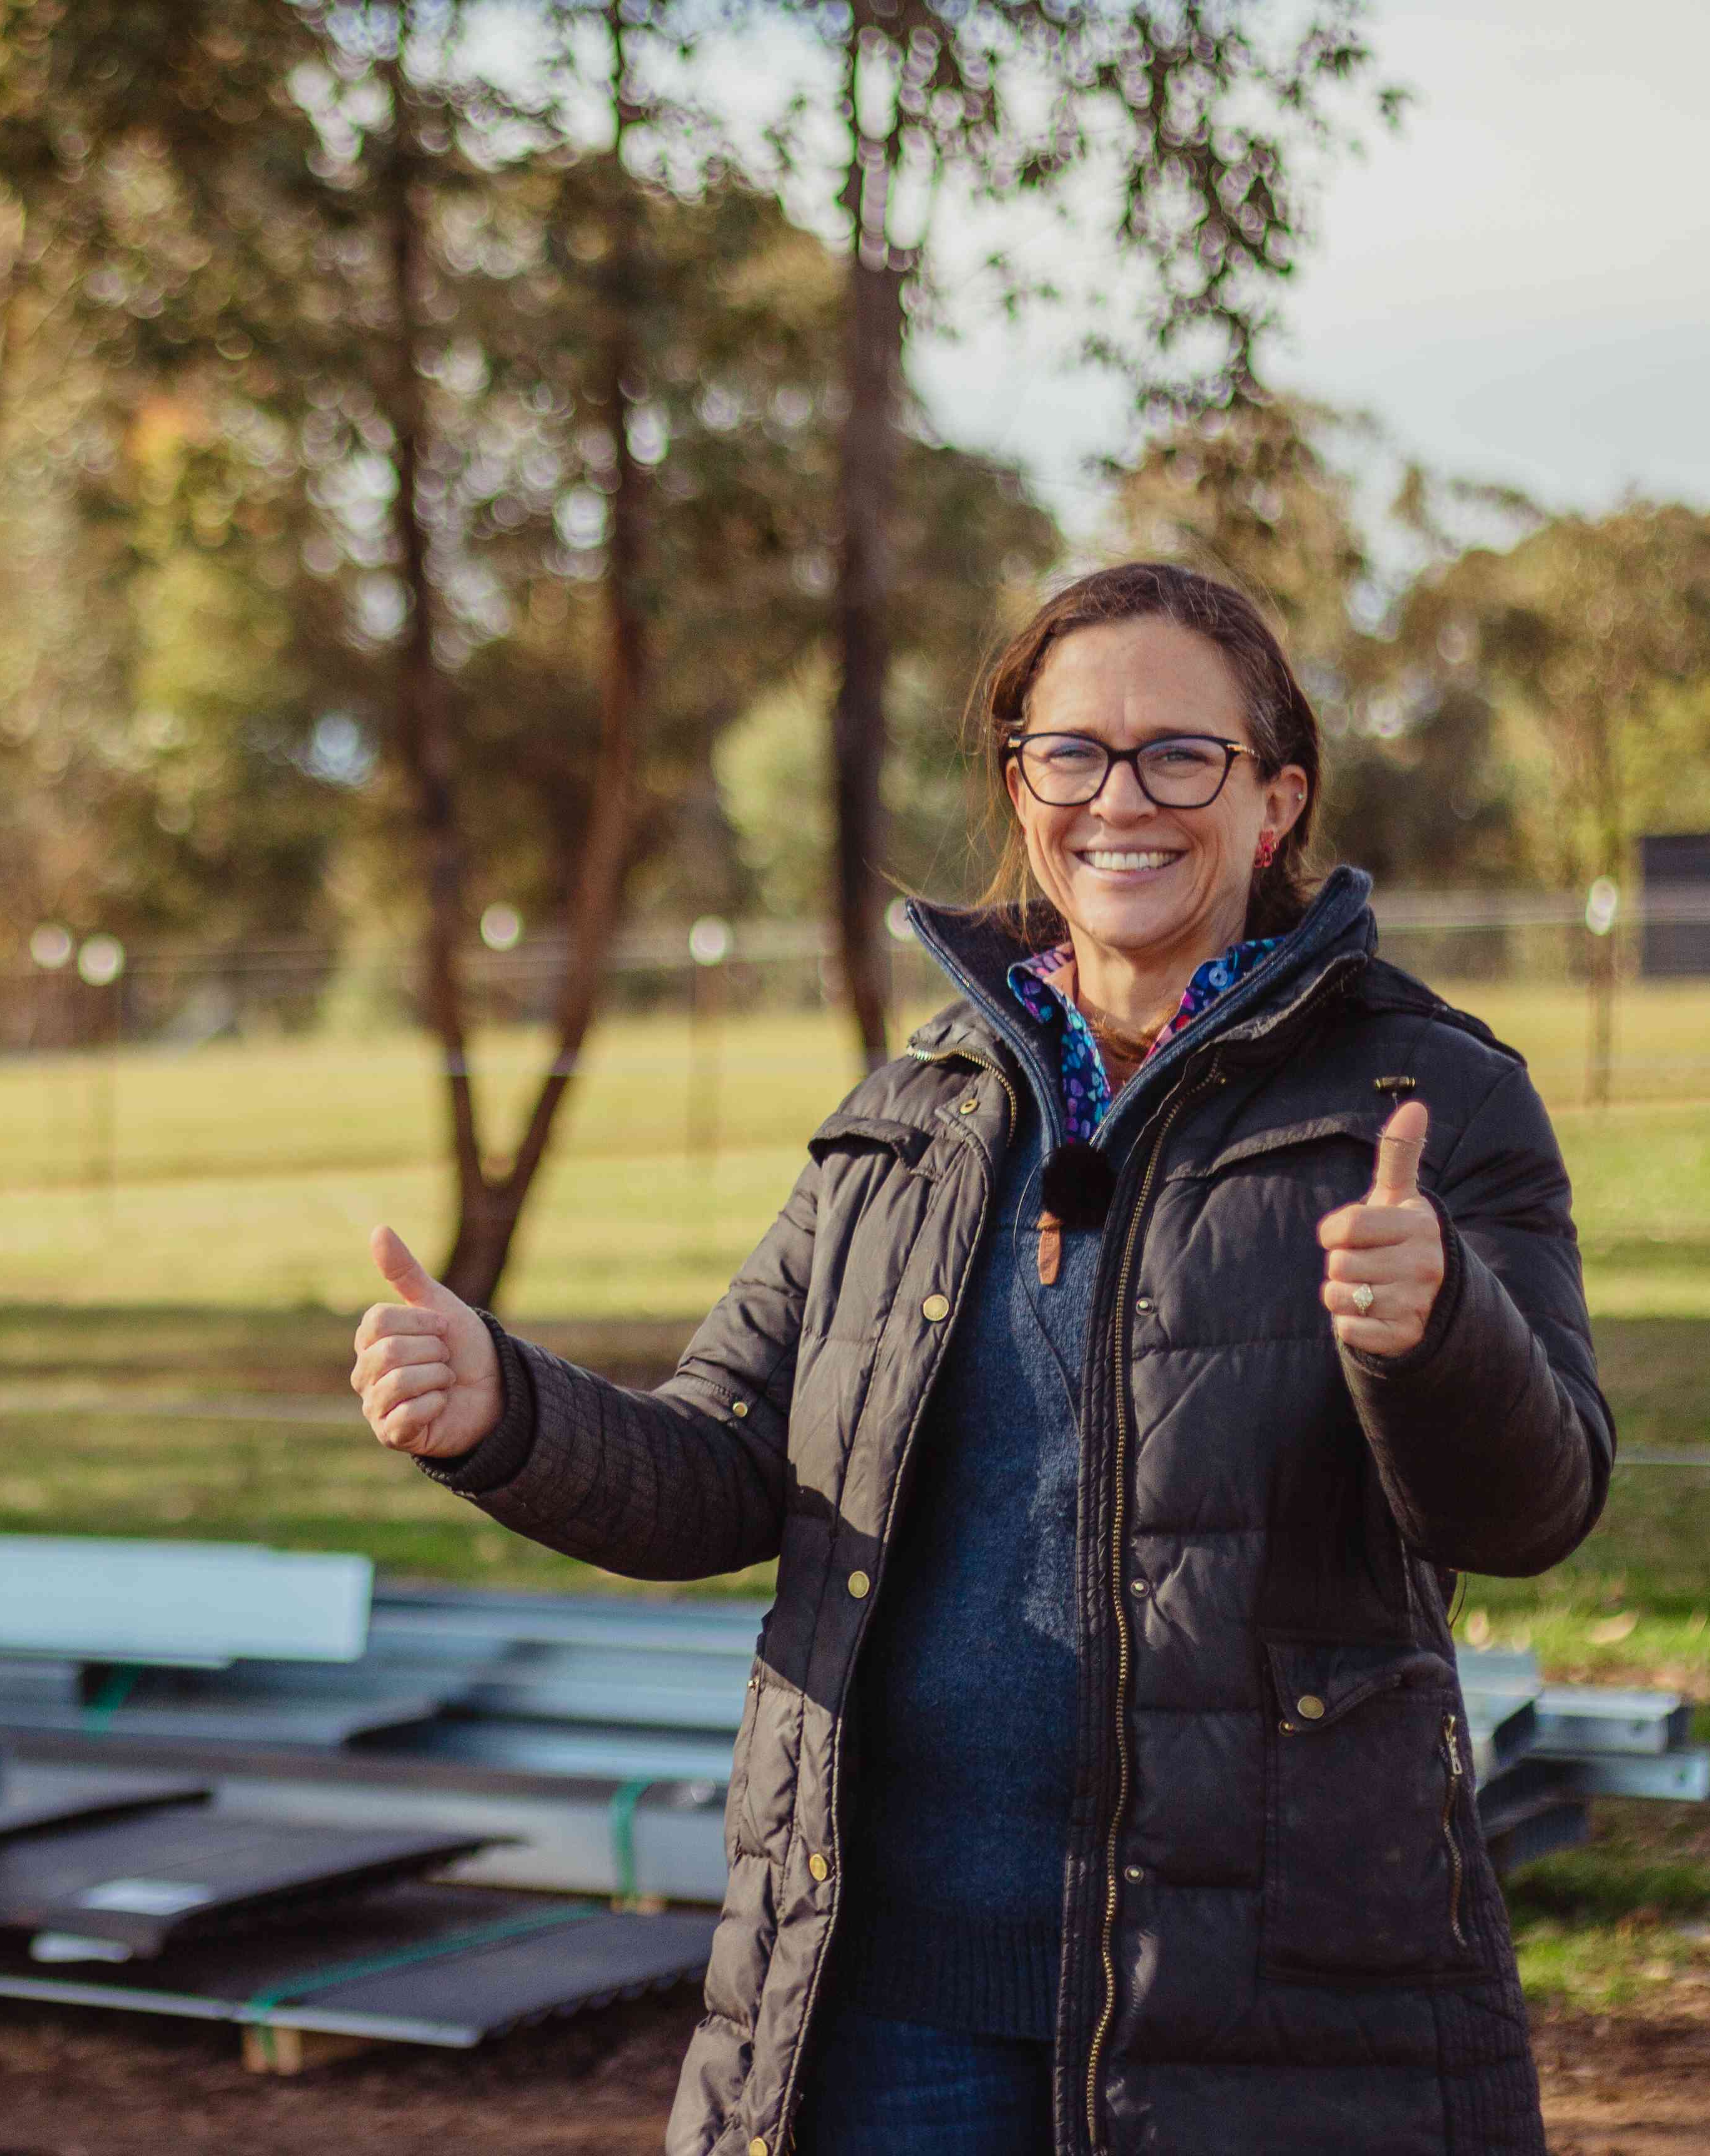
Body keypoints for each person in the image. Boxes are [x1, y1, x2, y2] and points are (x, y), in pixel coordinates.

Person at [347, 562, 1611, 2156]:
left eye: (1181, 754)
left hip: (1264, 2014)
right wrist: (502, 1411)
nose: (1118, 798)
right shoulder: (918, 1111)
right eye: (1069, 751)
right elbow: (730, 1476)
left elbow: (1532, 1509)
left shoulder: (1429, 1099)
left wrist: (1435, 1336)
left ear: (1275, 800)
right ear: (1023, 788)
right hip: (883, 2013)